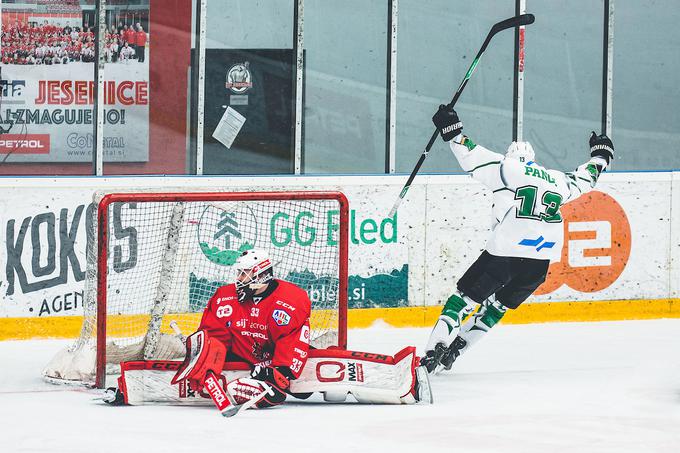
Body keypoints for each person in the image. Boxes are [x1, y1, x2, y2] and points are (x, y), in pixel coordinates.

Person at [105, 249, 432, 409]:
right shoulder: (225, 297)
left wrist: (277, 376)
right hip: (241, 359)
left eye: (245, 275)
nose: (239, 280)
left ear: (262, 276)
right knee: (192, 374)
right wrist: (209, 369)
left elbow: (294, 344)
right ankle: (132, 386)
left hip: (278, 363)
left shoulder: (291, 300)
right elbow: (213, 335)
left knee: (329, 389)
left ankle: (404, 381)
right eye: (239, 274)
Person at [420, 105, 615, 374]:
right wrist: (601, 155)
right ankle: (457, 350)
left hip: (505, 252)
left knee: (463, 299)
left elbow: (472, 155)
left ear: (512, 156)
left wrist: (451, 130)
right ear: (534, 159)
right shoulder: (556, 181)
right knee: (497, 307)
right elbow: (586, 178)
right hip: (539, 264)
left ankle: (433, 352)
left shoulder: (507, 168)